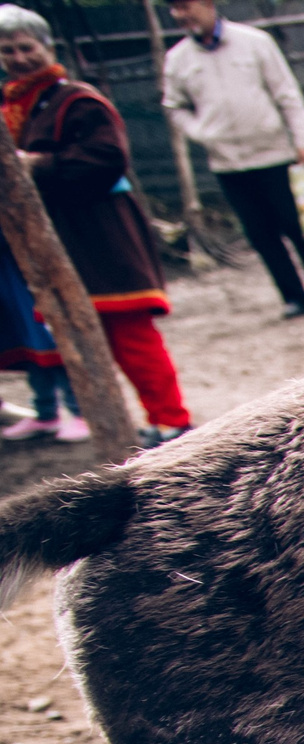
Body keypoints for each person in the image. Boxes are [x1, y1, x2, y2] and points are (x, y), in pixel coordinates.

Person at [0, 6, 191, 443]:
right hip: (55, 243)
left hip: (103, 239)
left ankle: (173, 422)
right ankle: (111, 426)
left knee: (131, 336)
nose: (18, 56)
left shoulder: (78, 101)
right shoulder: (13, 107)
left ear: (47, 48)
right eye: (8, 49)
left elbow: (107, 159)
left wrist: (39, 165)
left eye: (26, 47)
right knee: (76, 341)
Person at [162, 0, 304, 319]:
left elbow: (287, 94)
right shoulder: (177, 59)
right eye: (174, 9)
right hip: (228, 164)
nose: (181, 15)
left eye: (185, 6)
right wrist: (200, 132)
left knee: (302, 227)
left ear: (207, 3)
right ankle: (294, 299)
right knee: (261, 235)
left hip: (276, 155)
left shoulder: (254, 42)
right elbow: (174, 106)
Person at [0, 243, 85, 442]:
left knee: (51, 346)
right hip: (8, 285)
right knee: (29, 350)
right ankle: (45, 414)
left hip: (27, 275)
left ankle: (81, 414)